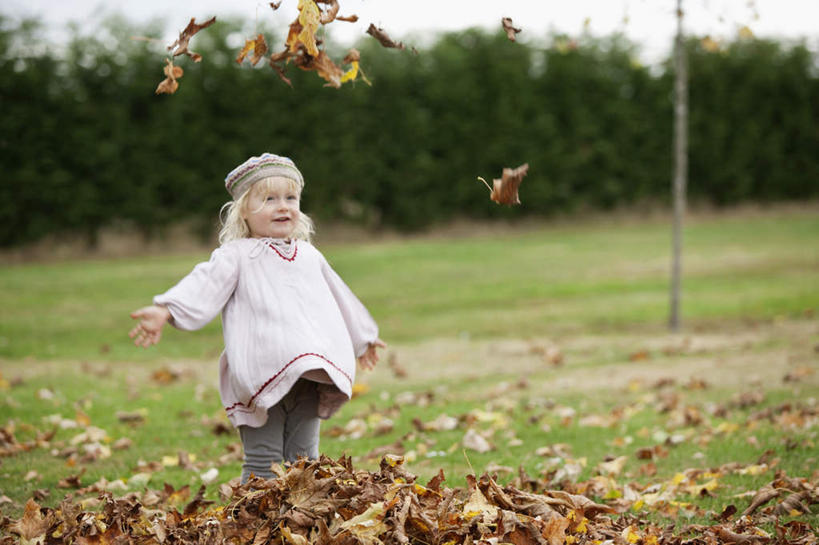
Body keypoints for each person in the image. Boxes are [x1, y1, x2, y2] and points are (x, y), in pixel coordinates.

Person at [128, 153, 385, 482]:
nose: (283, 206)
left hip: (310, 374)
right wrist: (166, 309)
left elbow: (340, 297)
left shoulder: (309, 255)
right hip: (260, 372)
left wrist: (363, 337)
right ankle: (254, 523)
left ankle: (301, 522)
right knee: (264, 460)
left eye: (290, 198)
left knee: (305, 460)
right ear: (243, 212)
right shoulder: (236, 256)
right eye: (269, 199)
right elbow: (202, 284)